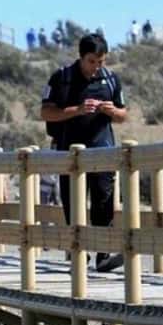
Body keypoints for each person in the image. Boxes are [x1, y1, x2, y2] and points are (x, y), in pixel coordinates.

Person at [40, 33, 128, 273]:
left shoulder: (110, 79)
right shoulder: (62, 78)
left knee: (104, 201)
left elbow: (123, 115)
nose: (96, 66)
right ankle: (78, 254)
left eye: (101, 61)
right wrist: (77, 110)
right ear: (81, 57)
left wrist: (112, 112)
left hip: (103, 151)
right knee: (73, 203)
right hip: (70, 154)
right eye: (92, 61)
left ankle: (103, 254)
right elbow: (46, 113)